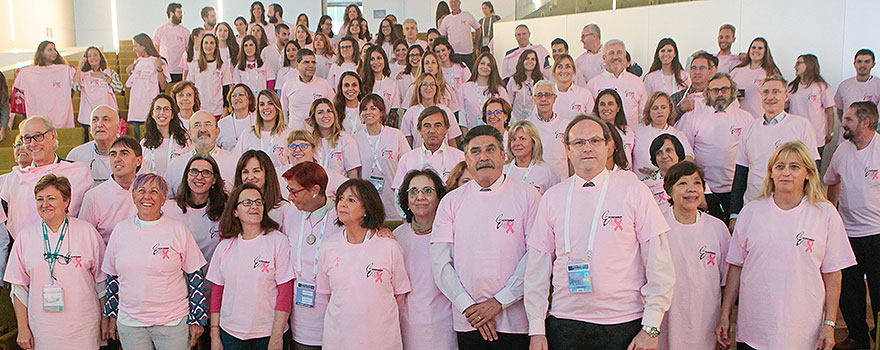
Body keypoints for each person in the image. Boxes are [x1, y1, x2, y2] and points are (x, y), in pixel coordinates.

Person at [524, 114, 674, 350]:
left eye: (595, 141)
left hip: (623, 322)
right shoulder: (553, 197)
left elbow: (659, 263)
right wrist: (536, 329)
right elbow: (537, 267)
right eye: (579, 142)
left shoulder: (633, 190)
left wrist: (651, 327)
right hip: (565, 322)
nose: (587, 148)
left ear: (608, 145)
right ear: (568, 149)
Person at [716, 141, 856, 350]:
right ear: (770, 173)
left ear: (808, 173)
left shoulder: (825, 214)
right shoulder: (751, 212)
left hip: (804, 334)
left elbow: (833, 274)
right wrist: (725, 314)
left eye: (794, 167)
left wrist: (829, 324)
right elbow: (735, 267)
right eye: (779, 166)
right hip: (755, 334)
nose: (786, 173)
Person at [430, 126, 539, 349]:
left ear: (503, 155)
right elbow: (440, 262)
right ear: (467, 160)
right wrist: (468, 306)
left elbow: (536, 256)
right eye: (476, 151)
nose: (484, 157)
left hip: (515, 321)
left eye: (490, 149)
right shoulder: (451, 201)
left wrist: (500, 301)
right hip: (469, 320)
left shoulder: (528, 195)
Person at [102, 173, 208, 349]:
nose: (147, 197)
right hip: (131, 323)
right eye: (141, 191)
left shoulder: (178, 230)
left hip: (172, 323)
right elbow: (112, 278)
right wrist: (112, 314)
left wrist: (197, 318)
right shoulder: (120, 230)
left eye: (154, 191)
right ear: (134, 196)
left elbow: (195, 276)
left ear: (164, 198)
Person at [5, 174, 107, 350]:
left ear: (66, 201)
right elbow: (18, 288)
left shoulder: (87, 232)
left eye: (51, 198)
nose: (45, 204)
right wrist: (22, 328)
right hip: (43, 329)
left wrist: (105, 320)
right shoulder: (25, 237)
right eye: (40, 199)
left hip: (83, 326)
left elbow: (101, 283)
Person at [208, 183, 293, 349]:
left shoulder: (278, 241)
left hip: (268, 334)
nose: (254, 206)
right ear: (235, 211)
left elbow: (285, 291)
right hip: (231, 333)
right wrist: (214, 334)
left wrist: (277, 335)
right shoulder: (224, 246)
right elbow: (217, 291)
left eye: (258, 202)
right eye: (247, 203)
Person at [824, 101, 880, 350]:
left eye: (848, 119)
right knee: (849, 289)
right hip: (848, 233)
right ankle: (858, 335)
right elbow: (831, 181)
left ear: (865, 122)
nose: (842, 123)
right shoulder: (842, 150)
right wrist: (831, 218)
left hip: (877, 233)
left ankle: (879, 336)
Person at [730, 76, 819, 230]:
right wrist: (734, 214)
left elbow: (812, 169)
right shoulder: (749, 129)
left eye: (776, 92)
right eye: (766, 92)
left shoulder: (801, 125)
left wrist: (811, 204)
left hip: (791, 209)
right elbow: (741, 173)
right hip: (755, 207)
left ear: (786, 96)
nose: (770, 97)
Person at [658, 161, 730, 350]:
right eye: (683, 183)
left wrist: (724, 317)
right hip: (667, 321)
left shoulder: (717, 228)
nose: (691, 189)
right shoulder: (657, 227)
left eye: (697, 183)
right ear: (668, 191)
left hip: (705, 322)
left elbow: (726, 281)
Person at [675, 72, 753, 224]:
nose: (720, 94)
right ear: (707, 93)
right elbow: (686, 153)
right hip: (705, 191)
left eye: (724, 89)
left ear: (732, 91)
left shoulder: (746, 118)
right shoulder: (693, 117)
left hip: (736, 191)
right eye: (715, 90)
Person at [278, 161, 341, 349]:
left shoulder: (340, 216)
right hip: (299, 316)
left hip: (332, 314)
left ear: (315, 190)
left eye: (295, 191)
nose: (289, 197)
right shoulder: (291, 214)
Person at [396, 169, 459, 350]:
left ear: (439, 198)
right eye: (413, 192)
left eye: (427, 191)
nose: (420, 196)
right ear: (406, 200)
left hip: (445, 327)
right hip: (407, 327)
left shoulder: (451, 234)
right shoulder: (396, 237)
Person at [0, 116, 93, 239]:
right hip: (28, 246)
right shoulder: (14, 178)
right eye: (27, 138)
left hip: (70, 243)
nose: (33, 143)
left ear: (53, 136)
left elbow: (87, 216)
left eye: (38, 136)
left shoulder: (78, 172)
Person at [164, 153, 228, 272]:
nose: (199, 177)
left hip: (212, 281)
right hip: (177, 282)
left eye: (206, 173)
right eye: (194, 171)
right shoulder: (169, 209)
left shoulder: (224, 211)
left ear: (214, 179)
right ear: (187, 176)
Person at [353, 94, 411, 220]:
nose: (368, 112)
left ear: (382, 112)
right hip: (367, 199)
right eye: (364, 109)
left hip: (392, 197)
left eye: (373, 108)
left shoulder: (396, 135)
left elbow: (408, 165)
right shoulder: (355, 138)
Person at [79, 136, 141, 245]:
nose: (117, 159)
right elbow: (84, 238)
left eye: (124, 153)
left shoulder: (148, 193)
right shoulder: (93, 196)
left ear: (138, 160)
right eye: (113, 154)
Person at [165, 111, 240, 196]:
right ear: (189, 133)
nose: (203, 129)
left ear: (217, 131)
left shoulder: (234, 163)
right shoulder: (176, 165)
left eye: (208, 124)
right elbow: (167, 200)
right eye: (197, 125)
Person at [392, 106, 466, 188]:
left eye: (437, 125)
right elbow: (398, 194)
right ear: (420, 130)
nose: (432, 131)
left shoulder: (460, 158)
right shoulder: (407, 159)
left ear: (446, 129)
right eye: (427, 126)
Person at [12, 41, 76, 129]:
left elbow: (78, 84)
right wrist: (19, 75)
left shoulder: (64, 70)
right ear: (41, 52)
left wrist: (77, 68)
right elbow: (16, 91)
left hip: (60, 117)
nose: (54, 52)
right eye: (50, 50)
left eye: (55, 50)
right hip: (38, 114)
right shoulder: (28, 72)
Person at [632, 92, 693, 179]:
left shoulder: (678, 135)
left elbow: (688, 159)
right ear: (649, 111)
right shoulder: (637, 131)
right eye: (655, 108)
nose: (659, 111)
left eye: (663, 107)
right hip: (641, 182)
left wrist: (660, 172)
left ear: (670, 109)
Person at [587, 39, 648, 126]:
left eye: (619, 53)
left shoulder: (637, 82)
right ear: (604, 58)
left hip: (631, 136)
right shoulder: (593, 84)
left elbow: (644, 114)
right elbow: (591, 116)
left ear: (624, 56)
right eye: (611, 53)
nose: (615, 57)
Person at [125, 33, 171, 139]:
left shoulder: (158, 61)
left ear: (143, 46)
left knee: (151, 137)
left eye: (135, 46)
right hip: (136, 106)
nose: (134, 49)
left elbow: (163, 86)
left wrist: (159, 69)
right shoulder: (137, 62)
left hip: (149, 104)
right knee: (138, 137)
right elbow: (130, 83)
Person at [789, 54, 835, 156]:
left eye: (798, 63)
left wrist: (830, 132)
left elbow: (830, 111)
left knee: (815, 168)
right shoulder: (792, 87)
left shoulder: (821, 87)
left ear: (809, 65)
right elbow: (785, 108)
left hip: (816, 137)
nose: (795, 67)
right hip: (795, 136)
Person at [401, 73, 462, 148]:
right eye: (424, 84)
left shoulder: (446, 111)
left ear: (436, 88)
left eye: (432, 84)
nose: (429, 87)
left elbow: (452, 142)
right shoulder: (410, 113)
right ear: (419, 88)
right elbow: (407, 144)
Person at [74, 47, 123, 139]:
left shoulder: (110, 73)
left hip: (107, 114)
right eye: (89, 56)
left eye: (95, 55)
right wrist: (80, 67)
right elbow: (75, 86)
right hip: (88, 116)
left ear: (100, 57)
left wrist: (104, 76)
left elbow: (119, 88)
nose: (93, 58)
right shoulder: (83, 74)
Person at [285, 131, 348, 201]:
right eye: (292, 146)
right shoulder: (278, 174)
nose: (297, 150)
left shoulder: (328, 175)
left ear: (313, 150)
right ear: (287, 151)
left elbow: (352, 190)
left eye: (303, 146)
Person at [281, 49, 335, 130]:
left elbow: (333, 108)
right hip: (296, 134)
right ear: (297, 65)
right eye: (306, 62)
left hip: (319, 134)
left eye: (313, 62)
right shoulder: (288, 85)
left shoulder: (324, 84)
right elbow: (284, 111)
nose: (311, 65)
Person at [235, 90, 289, 168]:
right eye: (261, 104)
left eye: (270, 103)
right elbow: (238, 163)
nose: (266, 107)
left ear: (277, 107)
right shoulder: (247, 134)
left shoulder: (288, 134)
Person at [526, 80, 569, 178]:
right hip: (535, 180)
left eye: (548, 95)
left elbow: (571, 157)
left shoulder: (566, 124)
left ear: (554, 98)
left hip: (561, 180)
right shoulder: (527, 125)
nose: (543, 99)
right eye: (539, 95)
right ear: (533, 99)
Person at [139, 94, 192, 175]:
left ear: (172, 115)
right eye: (158, 109)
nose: (162, 112)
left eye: (166, 109)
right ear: (152, 114)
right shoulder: (145, 143)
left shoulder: (184, 140)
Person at [65, 106, 120, 183]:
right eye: (95, 120)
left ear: (118, 128)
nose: (99, 124)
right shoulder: (76, 156)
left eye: (105, 119)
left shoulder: (130, 154)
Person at [308, 99, 362, 178]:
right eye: (320, 112)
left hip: (339, 188)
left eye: (329, 111)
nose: (326, 115)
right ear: (314, 117)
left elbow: (353, 175)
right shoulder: (309, 141)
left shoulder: (346, 139)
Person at [730, 37, 782, 118]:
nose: (756, 51)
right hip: (738, 118)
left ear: (765, 52)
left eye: (760, 48)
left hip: (760, 117)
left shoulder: (771, 72)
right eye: (753, 47)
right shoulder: (737, 70)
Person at [505, 120, 560, 194]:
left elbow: (555, 200)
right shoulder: (502, 170)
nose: (517, 143)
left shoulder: (547, 172)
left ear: (533, 142)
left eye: (522, 138)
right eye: (513, 139)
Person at [185, 33, 234, 117]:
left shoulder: (222, 65)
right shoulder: (195, 65)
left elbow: (226, 89)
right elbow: (190, 88)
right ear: (202, 45)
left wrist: (225, 109)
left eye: (212, 43)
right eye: (206, 43)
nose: (209, 46)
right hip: (199, 110)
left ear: (216, 46)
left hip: (217, 110)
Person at [236, 150, 290, 224]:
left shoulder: (283, 209)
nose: (250, 177)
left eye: (256, 171)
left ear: (267, 174)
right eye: (245, 172)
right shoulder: (234, 207)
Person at [402, 51, 463, 116]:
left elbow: (454, 112)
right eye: (427, 63)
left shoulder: (446, 88)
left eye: (433, 63)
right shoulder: (413, 88)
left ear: (438, 66)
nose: (430, 66)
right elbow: (407, 113)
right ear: (423, 66)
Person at [460, 53, 510, 131]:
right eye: (482, 63)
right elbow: (462, 116)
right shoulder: (464, 88)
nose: (485, 67)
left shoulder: (500, 90)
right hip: (472, 134)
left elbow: (507, 113)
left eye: (489, 65)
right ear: (477, 65)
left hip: (495, 134)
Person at [642, 134, 688, 214]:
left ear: (678, 152)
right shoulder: (646, 184)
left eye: (669, 150)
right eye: (659, 153)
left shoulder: (692, 177)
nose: (664, 156)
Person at [670, 52, 718, 122]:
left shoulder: (717, 97)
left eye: (702, 68)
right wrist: (680, 109)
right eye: (693, 68)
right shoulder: (677, 97)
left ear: (710, 72)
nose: (697, 72)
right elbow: (665, 122)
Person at [594, 88, 634, 167]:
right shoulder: (593, 131)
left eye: (610, 104)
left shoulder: (628, 131)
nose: (606, 108)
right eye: (602, 104)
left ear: (618, 108)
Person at [835, 49, 880, 119]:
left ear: (873, 64)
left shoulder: (878, 85)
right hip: (848, 129)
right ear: (854, 64)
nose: (862, 65)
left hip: (871, 128)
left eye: (867, 62)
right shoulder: (844, 85)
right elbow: (840, 110)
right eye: (859, 62)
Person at [437, 0, 480, 68]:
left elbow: (478, 28)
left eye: (455, 2)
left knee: (470, 75)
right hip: (453, 53)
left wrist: (475, 43)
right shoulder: (446, 19)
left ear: (459, 3)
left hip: (468, 53)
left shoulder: (467, 15)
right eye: (451, 2)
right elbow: (442, 35)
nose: (453, 4)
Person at [359, 45, 402, 113]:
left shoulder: (392, 84)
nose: (376, 62)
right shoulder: (361, 83)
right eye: (372, 59)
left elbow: (394, 111)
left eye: (379, 58)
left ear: (384, 60)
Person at [551, 54, 594, 121]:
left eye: (567, 67)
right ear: (554, 71)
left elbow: (592, 120)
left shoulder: (585, 94)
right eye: (560, 67)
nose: (564, 70)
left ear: (573, 71)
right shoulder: (547, 95)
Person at [154, 3, 189, 82]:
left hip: (180, 70)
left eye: (181, 13)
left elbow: (188, 50)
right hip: (165, 70)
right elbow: (155, 50)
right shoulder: (160, 30)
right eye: (179, 13)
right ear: (171, 13)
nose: (181, 15)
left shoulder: (185, 32)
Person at [507, 49, 543, 121]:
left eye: (533, 59)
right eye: (527, 59)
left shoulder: (541, 81)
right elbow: (508, 103)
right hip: (517, 121)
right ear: (522, 61)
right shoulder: (513, 80)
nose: (530, 61)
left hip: (536, 121)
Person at [218, 84, 256, 150]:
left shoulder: (257, 120)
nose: (237, 98)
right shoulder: (222, 124)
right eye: (234, 96)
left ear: (249, 99)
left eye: (241, 95)